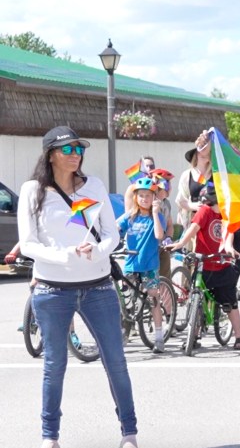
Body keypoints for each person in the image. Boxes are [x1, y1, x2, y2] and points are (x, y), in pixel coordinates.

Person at [17, 126, 138, 448]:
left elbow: (111, 234)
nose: (75, 155)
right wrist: (63, 255)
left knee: (116, 362)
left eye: (78, 149)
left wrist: (97, 251)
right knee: (54, 366)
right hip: (52, 290)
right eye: (67, 149)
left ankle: (129, 433)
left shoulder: (94, 186)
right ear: (50, 154)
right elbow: (28, 244)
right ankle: (49, 436)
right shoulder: (33, 191)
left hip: (98, 287)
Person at [166, 182, 240, 349]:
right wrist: (181, 243)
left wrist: (229, 248)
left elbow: (228, 233)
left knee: (230, 302)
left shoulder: (226, 214)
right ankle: (193, 335)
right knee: (196, 299)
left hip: (222, 265)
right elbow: (193, 229)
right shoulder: (205, 211)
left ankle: (239, 337)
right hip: (204, 263)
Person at [117, 177, 167, 353]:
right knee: (126, 302)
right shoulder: (130, 217)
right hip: (131, 265)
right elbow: (115, 228)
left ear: (154, 198)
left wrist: (155, 212)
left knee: (154, 298)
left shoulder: (157, 216)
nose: (145, 199)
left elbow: (160, 235)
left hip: (149, 264)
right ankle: (125, 333)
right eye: (141, 195)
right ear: (136, 197)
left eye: (148, 195)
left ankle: (159, 337)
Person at [175, 142, 211, 243]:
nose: (205, 154)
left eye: (208, 152)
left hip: (211, 221)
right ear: (196, 154)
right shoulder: (187, 175)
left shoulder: (215, 175)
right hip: (193, 221)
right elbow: (180, 200)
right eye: (202, 151)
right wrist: (193, 206)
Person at [148, 168, 175, 277]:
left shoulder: (166, 203)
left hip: (162, 245)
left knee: (165, 276)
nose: (171, 188)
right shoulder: (149, 203)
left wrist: (168, 237)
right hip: (149, 245)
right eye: (168, 184)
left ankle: (167, 292)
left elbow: (169, 225)